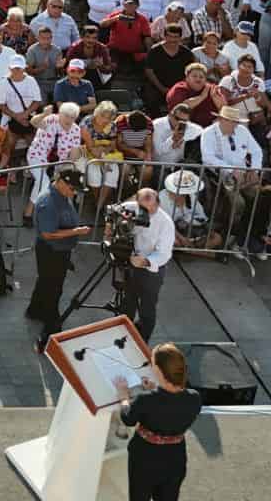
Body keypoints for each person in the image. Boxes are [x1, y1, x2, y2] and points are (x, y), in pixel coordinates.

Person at [116, 342, 203, 501]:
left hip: (144, 458)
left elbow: (128, 418)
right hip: (175, 458)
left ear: (158, 370)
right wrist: (154, 389)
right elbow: (169, 404)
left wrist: (123, 397)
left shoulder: (145, 400)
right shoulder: (194, 398)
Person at [27, 165, 91, 350]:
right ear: (61, 182)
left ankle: (34, 310)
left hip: (60, 250)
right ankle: (51, 324)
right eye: (72, 189)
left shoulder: (62, 195)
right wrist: (76, 231)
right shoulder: (49, 202)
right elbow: (48, 234)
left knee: (45, 282)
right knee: (53, 287)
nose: (74, 193)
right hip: (51, 250)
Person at [115, 188, 174, 342]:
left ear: (157, 204)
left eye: (149, 207)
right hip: (132, 265)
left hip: (151, 271)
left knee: (147, 308)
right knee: (128, 301)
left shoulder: (166, 223)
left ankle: (142, 341)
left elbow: (164, 253)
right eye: (141, 206)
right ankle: (122, 332)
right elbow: (116, 209)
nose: (144, 212)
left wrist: (146, 261)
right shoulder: (135, 207)